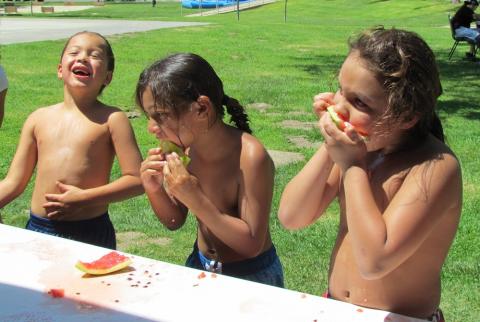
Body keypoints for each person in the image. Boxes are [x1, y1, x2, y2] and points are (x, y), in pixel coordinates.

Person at [278, 27, 462, 321]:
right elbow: (292, 216)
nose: (338, 105)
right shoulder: (362, 149)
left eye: (359, 102)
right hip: (336, 307)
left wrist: (352, 165)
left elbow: (375, 260)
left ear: (407, 116)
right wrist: (331, 146)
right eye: (340, 89)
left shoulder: (435, 167)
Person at [136, 53, 284, 287]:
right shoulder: (185, 149)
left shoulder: (249, 157)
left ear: (202, 109)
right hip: (200, 264)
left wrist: (195, 199)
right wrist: (154, 189)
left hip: (251, 277)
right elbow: (174, 220)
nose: (152, 128)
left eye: (160, 116)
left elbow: (251, 244)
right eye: (149, 116)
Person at [0, 31, 144, 249]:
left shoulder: (112, 119)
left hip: (90, 232)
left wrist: (85, 198)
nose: (83, 57)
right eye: (74, 52)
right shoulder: (38, 119)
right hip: (39, 230)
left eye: (94, 55)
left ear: (108, 77)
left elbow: (137, 180)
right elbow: (13, 183)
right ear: (60, 69)